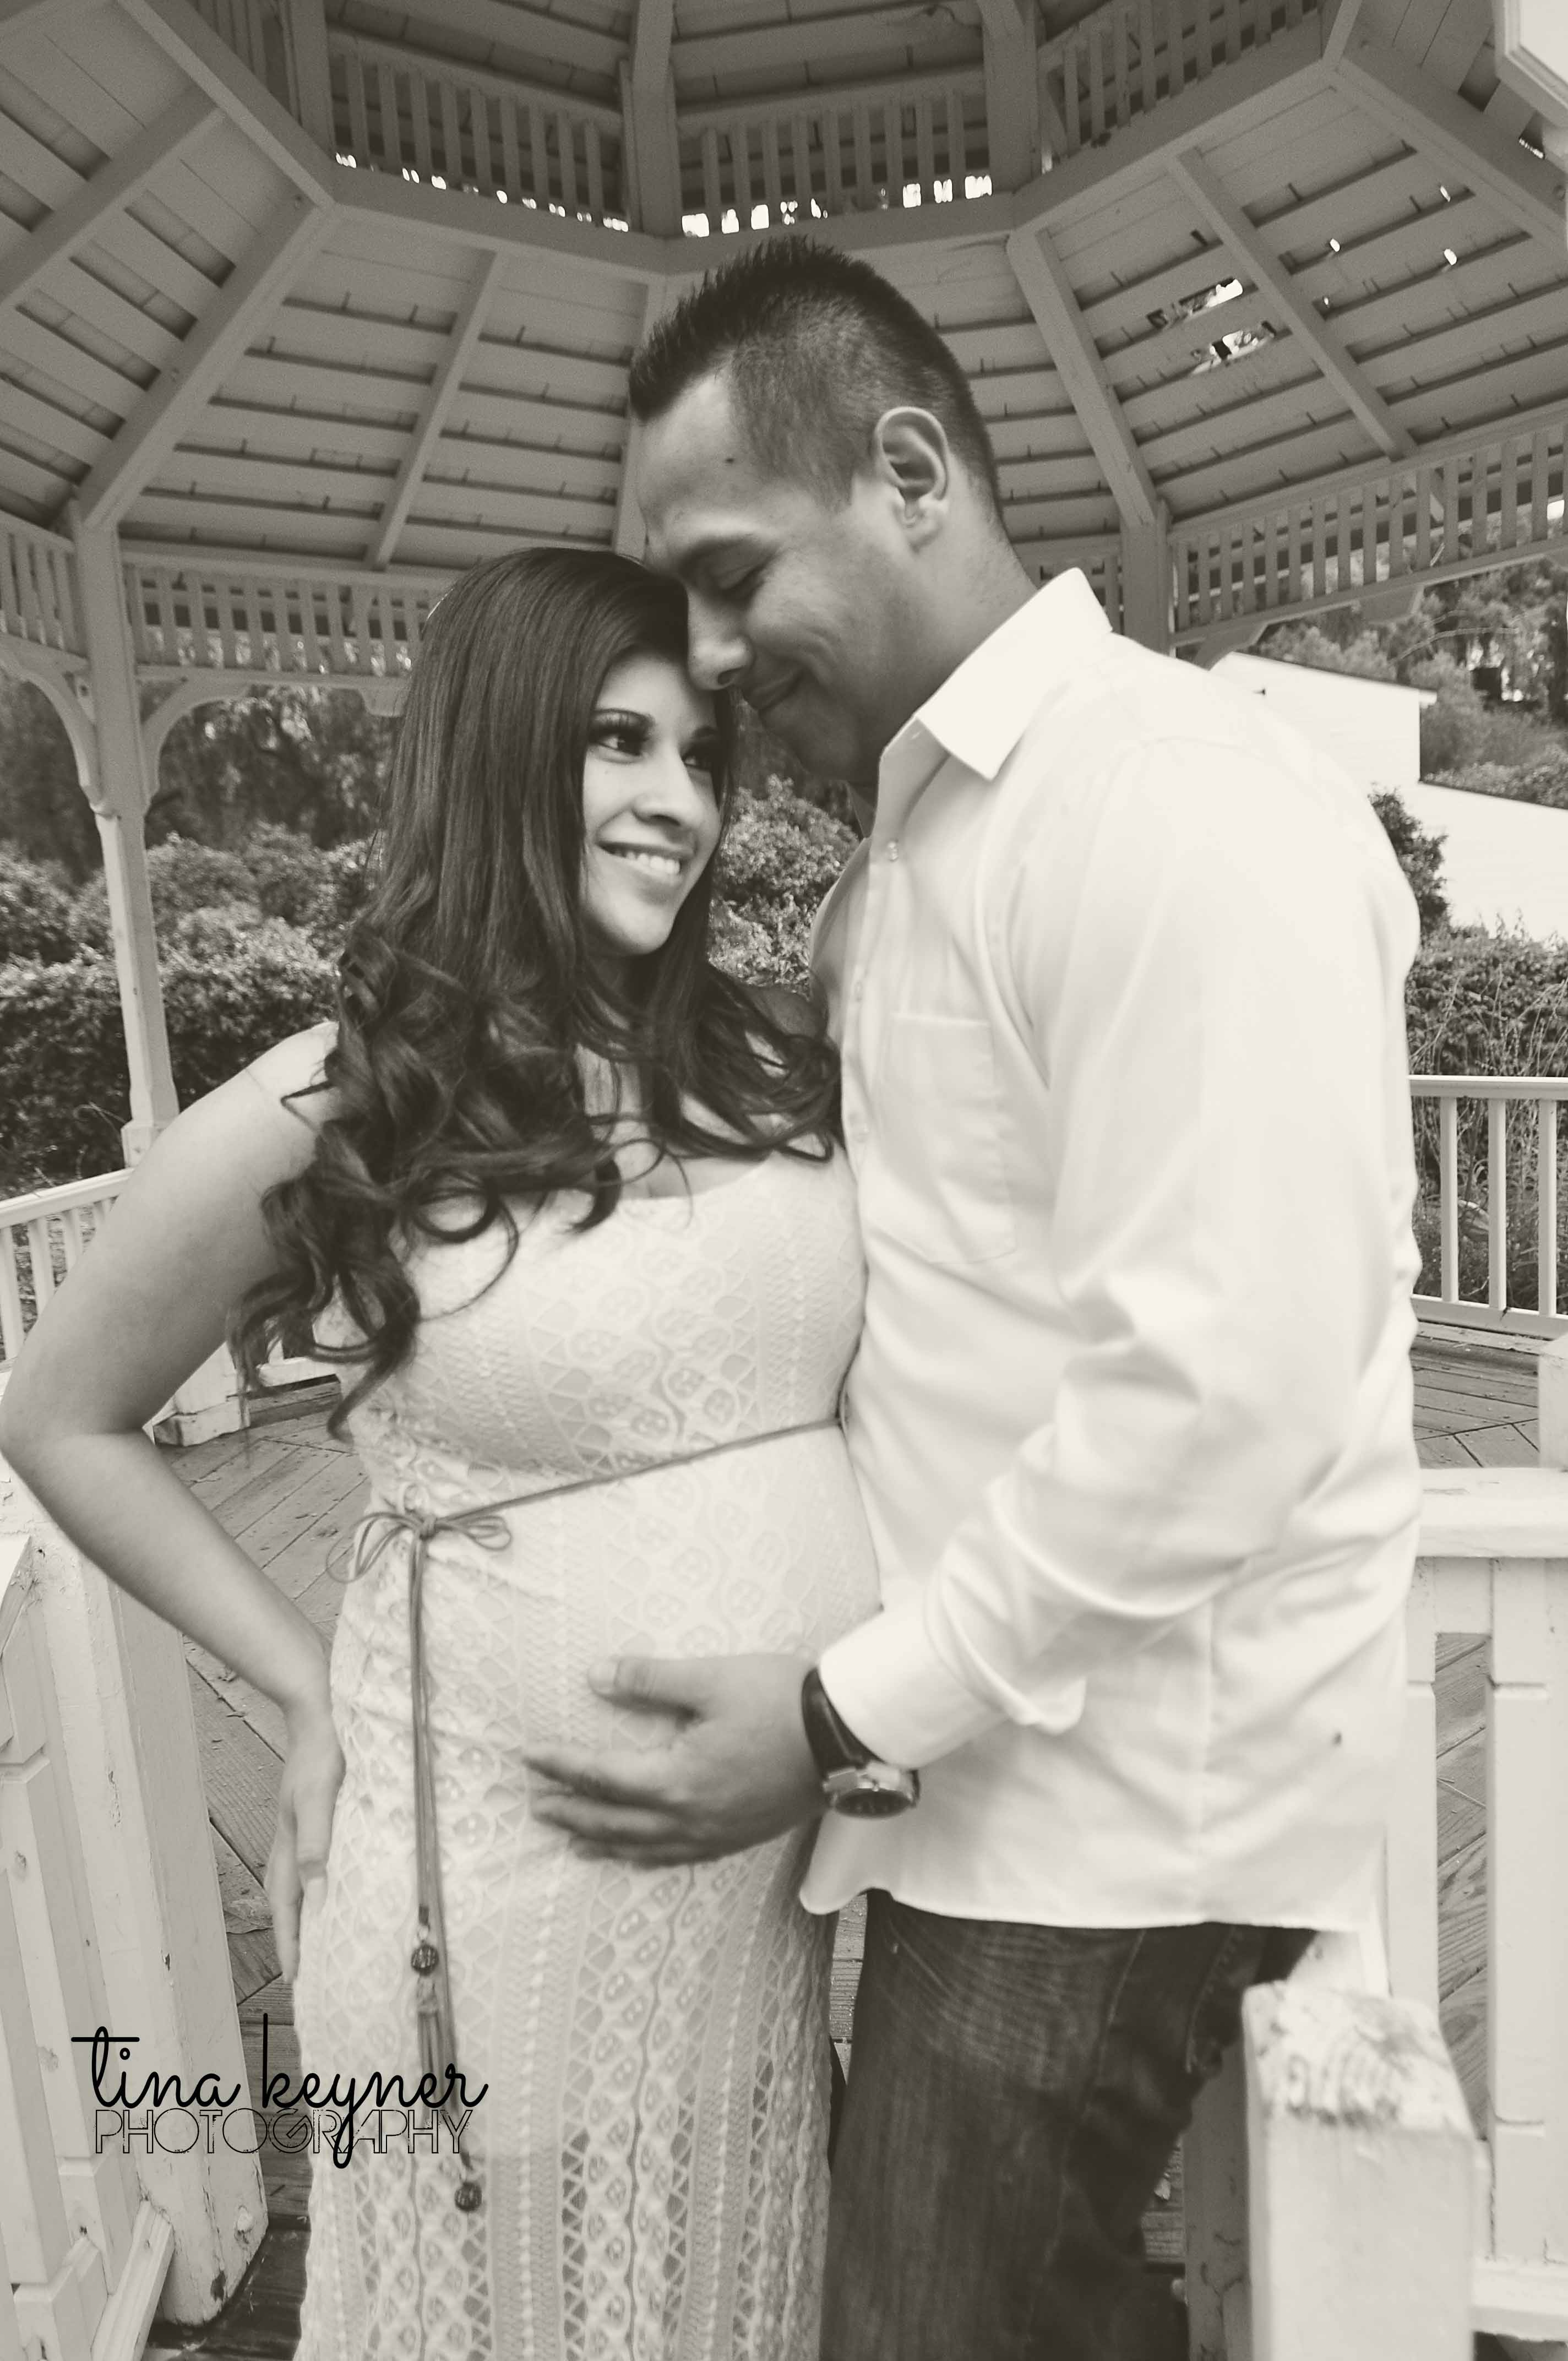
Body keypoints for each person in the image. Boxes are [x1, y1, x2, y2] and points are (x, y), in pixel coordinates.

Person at [524, 242, 1426, 2360]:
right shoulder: (918, 852)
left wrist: (838, 1715)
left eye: (735, 576)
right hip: (989, 1778)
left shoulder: (1169, 801)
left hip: (1112, 1818)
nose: (709, 654)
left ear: (912, 473)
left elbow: (1221, 1392)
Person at [0, 547, 884, 2359]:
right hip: (491, 1885)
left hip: (752, 1907)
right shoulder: (341, 1098)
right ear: (495, 753)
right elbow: (57, 1412)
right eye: (617, 741)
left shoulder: (768, 1056)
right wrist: (300, 1682)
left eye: (702, 754)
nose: (679, 799)